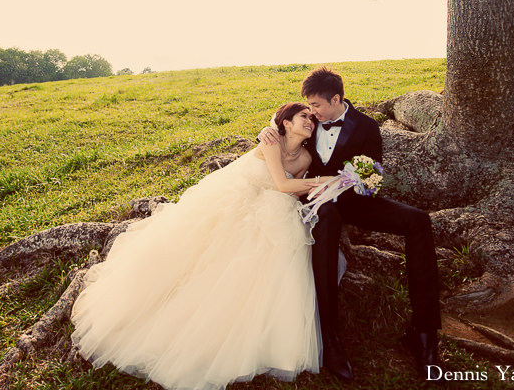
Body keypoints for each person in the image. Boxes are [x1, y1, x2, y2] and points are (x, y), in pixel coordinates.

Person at [70, 103, 324, 390]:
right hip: (236, 200)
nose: (310, 122)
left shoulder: (304, 158)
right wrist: (333, 180)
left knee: (272, 251)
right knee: (202, 255)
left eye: (312, 120)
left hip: (270, 208)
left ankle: (247, 333)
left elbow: (295, 190)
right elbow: (282, 183)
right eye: (304, 116)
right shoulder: (270, 140)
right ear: (286, 123)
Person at [260, 66, 441, 381]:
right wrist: (264, 132)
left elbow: (373, 176)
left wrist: (359, 181)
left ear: (337, 98)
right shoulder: (309, 122)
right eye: (309, 107)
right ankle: (330, 339)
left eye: (317, 105)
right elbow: (282, 133)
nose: (312, 112)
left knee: (419, 221)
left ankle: (424, 335)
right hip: (317, 203)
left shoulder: (367, 127)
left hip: (356, 203)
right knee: (327, 218)